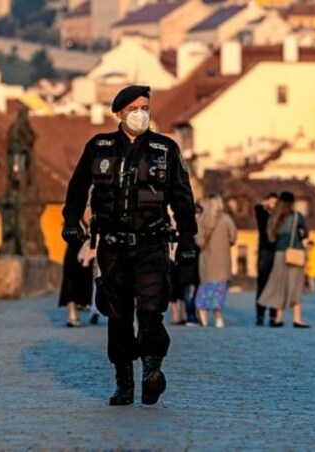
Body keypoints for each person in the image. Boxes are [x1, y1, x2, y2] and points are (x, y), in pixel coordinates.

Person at [61, 85, 197, 406]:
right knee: (118, 317)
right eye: (135, 108)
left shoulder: (166, 149)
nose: (141, 114)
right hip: (111, 247)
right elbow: (78, 187)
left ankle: (152, 370)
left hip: (151, 245)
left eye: (146, 108)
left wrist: (188, 240)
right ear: (120, 113)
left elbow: (182, 198)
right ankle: (124, 383)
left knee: (151, 311)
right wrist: (70, 221)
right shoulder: (100, 146)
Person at [257, 191, 310, 328]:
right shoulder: (298, 217)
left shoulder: (275, 218)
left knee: (280, 286)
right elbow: (305, 235)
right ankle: (297, 319)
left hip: (280, 254)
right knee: (296, 286)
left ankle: (278, 318)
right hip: (296, 254)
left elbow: (271, 238)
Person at [194, 194, 238, 328]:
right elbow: (233, 237)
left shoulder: (202, 220)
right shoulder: (226, 219)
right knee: (219, 290)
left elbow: (198, 241)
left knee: (205, 287)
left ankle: (202, 311)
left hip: (206, 261)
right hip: (222, 261)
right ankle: (219, 318)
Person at [59, 207, 94, 327]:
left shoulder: (74, 209)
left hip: (78, 248)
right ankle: (73, 315)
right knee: (72, 281)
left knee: (72, 281)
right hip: (81, 248)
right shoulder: (90, 208)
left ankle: (73, 315)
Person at [254, 192, 278, 325]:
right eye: (271, 202)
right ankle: (260, 314)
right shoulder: (262, 213)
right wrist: (264, 204)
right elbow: (257, 207)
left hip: (276, 251)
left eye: (276, 203)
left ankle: (273, 316)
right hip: (265, 251)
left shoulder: (280, 216)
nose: (273, 205)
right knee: (262, 284)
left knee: (274, 284)